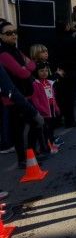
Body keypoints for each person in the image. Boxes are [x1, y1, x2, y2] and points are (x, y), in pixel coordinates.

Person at [0, 21, 44, 168]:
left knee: (35, 123)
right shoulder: (4, 54)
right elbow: (22, 72)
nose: (13, 35)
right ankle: (23, 159)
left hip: (26, 95)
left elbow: (31, 65)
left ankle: (30, 153)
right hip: (13, 99)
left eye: (15, 32)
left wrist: (25, 67)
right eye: (8, 33)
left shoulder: (16, 50)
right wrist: (25, 67)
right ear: (1, 36)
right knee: (19, 130)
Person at [30, 61, 61, 154]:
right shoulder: (35, 84)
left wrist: (56, 108)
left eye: (46, 71)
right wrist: (42, 110)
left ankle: (50, 145)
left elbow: (53, 97)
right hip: (43, 111)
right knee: (44, 132)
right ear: (37, 72)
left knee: (51, 129)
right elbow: (35, 100)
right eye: (41, 71)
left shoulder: (50, 83)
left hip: (51, 109)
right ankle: (45, 148)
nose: (44, 73)